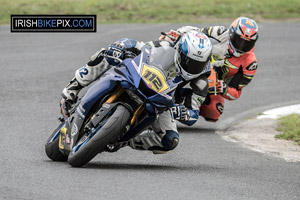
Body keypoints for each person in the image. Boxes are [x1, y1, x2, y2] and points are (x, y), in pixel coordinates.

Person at [59, 31, 213, 154]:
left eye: (197, 64)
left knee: (169, 140)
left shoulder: (200, 82)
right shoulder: (166, 46)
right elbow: (137, 45)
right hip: (139, 77)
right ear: (180, 51)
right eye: (189, 61)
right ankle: (73, 87)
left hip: (164, 105)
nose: (192, 66)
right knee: (108, 53)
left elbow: (193, 113)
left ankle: (122, 139)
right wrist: (120, 46)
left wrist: (181, 112)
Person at [161, 17, 259, 122]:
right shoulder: (220, 32)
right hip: (195, 63)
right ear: (231, 34)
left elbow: (236, 92)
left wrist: (224, 89)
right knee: (167, 44)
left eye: (247, 43)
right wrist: (178, 33)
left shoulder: (250, 63)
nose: (241, 46)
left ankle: (185, 109)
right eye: (239, 40)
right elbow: (196, 33)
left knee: (214, 111)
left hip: (214, 85)